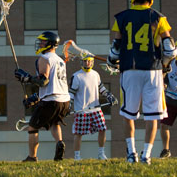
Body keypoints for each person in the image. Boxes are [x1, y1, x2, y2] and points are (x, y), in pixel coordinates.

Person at [107, 0, 177, 164]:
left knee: (128, 114)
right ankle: (147, 155)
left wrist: (112, 59)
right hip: (153, 70)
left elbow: (115, 50)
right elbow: (170, 50)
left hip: (130, 69)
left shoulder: (121, 17)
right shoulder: (159, 18)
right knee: (153, 115)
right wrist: (166, 63)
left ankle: (131, 154)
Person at [14, 31, 71, 162]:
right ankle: (59, 143)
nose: (40, 44)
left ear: (50, 44)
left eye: (43, 41)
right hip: (64, 100)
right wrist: (36, 98)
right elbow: (53, 84)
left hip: (51, 100)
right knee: (54, 123)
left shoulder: (44, 59)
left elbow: (43, 81)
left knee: (33, 127)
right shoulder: (60, 60)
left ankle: (32, 157)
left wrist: (27, 78)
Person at [68, 52, 118, 160]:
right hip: (82, 110)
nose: (87, 63)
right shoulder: (77, 76)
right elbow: (71, 93)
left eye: (89, 61)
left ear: (92, 62)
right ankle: (77, 156)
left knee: (103, 129)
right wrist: (68, 105)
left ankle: (101, 153)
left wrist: (109, 96)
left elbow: (101, 88)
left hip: (95, 109)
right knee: (78, 134)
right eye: (85, 61)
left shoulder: (96, 74)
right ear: (82, 62)